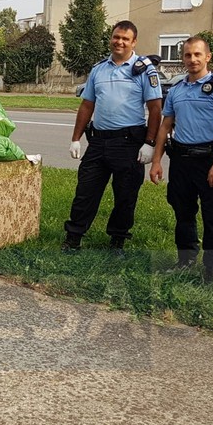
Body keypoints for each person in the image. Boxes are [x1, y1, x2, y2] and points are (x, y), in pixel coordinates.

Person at [63, 20, 162, 253]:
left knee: (125, 195)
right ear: (111, 38)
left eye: (125, 38)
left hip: (129, 142)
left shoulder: (144, 70)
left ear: (134, 42)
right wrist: (76, 137)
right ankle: (73, 238)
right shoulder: (99, 69)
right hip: (98, 141)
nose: (119, 42)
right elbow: (87, 105)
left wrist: (149, 143)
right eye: (116, 37)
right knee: (85, 191)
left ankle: (117, 240)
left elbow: (156, 109)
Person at [149, 37, 213, 277]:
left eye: (198, 54)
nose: (192, 59)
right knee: (183, 212)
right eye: (188, 55)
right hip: (181, 161)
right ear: (183, 59)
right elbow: (165, 126)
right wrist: (157, 161)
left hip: (210, 161)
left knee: (212, 215)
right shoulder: (177, 90)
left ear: (208, 57)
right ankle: (185, 260)